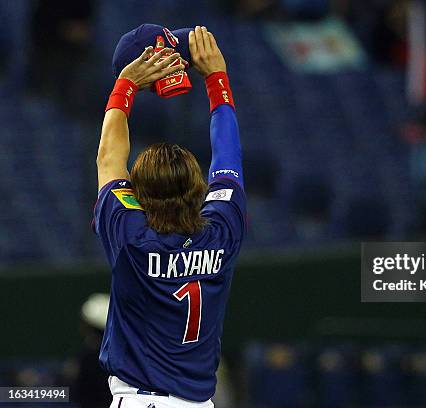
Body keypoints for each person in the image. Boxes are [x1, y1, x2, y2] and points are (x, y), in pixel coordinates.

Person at [93, 26, 246, 407]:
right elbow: (227, 159)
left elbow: (109, 158)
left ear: (138, 195)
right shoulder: (222, 231)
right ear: (199, 188)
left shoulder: (131, 237)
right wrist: (217, 79)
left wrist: (126, 83)